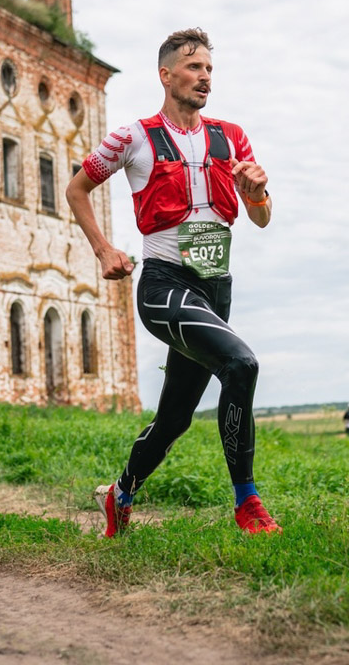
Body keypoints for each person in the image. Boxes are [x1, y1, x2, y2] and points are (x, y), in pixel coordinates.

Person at [65, 28, 279, 536]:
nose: (204, 76)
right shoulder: (133, 136)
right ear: (166, 75)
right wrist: (104, 249)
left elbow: (262, 218)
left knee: (174, 420)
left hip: (214, 288)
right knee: (241, 363)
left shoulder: (232, 137)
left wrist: (257, 194)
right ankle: (247, 503)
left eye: (209, 68)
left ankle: (118, 496)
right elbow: (77, 189)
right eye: (193, 66)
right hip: (163, 285)